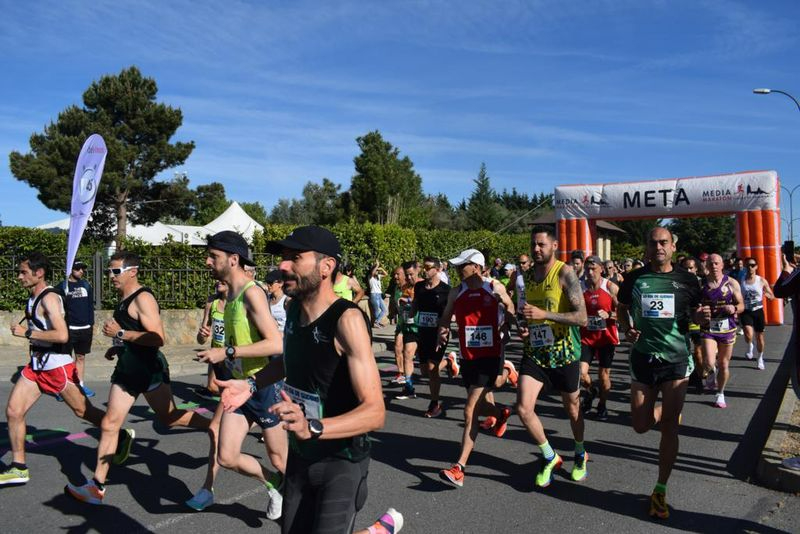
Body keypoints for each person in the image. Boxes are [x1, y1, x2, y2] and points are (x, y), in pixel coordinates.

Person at [215, 225, 386, 533]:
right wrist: (251, 384)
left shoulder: (347, 320)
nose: (282, 266)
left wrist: (314, 427)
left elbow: (375, 412)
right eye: (283, 257)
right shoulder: (293, 310)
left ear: (326, 266)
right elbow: (290, 361)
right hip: (300, 456)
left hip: (342, 460)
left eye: (295, 258)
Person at [66, 251, 210, 504]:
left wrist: (120, 334)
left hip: (148, 368)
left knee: (169, 418)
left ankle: (215, 426)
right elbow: (135, 333)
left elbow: (157, 338)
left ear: (132, 271)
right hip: (128, 369)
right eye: (109, 271)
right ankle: (97, 487)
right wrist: (119, 348)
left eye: (115, 271)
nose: (110, 276)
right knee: (110, 424)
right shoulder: (124, 297)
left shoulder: (143, 298)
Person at [1, 253, 124, 487]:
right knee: (14, 412)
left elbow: (62, 335)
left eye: (23, 272)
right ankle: (18, 467)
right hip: (37, 366)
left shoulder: (49, 298)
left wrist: (27, 333)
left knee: (82, 411)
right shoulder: (33, 297)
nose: (19, 277)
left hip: (57, 366)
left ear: (39, 273)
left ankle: (119, 433)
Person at [188, 232, 286, 516]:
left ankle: (308, 507)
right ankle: (273, 482)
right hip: (237, 387)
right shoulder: (228, 294)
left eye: (213, 256)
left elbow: (276, 343)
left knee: (280, 458)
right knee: (227, 456)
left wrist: (228, 352)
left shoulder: (251, 293)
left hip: (263, 386)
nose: (208, 262)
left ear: (233, 259)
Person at [617, 227, 704, 520]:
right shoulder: (634, 279)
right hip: (643, 358)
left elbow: (695, 314)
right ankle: (665, 410)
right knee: (640, 425)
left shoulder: (688, 280)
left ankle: (660, 488)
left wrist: (701, 317)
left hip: (676, 359)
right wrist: (627, 328)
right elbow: (622, 308)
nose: (659, 247)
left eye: (664, 242)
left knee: (670, 427)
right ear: (646, 247)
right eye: (653, 243)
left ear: (673, 246)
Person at [437, 248, 517, 488]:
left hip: (491, 354)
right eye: (458, 265)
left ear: (477, 267)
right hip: (468, 356)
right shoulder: (456, 291)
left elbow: (511, 311)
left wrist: (507, 316)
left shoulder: (494, 287)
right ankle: (501, 412)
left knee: (470, 409)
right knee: (481, 406)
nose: (458, 269)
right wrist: (443, 331)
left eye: (463, 265)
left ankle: (459, 467)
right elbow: (446, 315)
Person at [516, 227, 589, 488]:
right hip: (536, 353)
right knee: (523, 408)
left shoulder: (564, 273)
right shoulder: (526, 276)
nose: (536, 249)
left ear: (554, 246)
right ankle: (550, 456)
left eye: (541, 245)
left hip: (564, 353)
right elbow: (524, 312)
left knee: (572, 409)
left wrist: (544, 315)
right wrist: (524, 326)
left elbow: (582, 318)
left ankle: (579, 452)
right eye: (533, 245)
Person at [410, 257, 453, 418]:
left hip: (439, 334)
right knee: (424, 372)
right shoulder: (419, 286)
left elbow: (450, 313)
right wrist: (410, 310)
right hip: (423, 332)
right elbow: (415, 303)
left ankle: (434, 404)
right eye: (424, 267)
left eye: (428, 267)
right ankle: (449, 362)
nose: (425, 270)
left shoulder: (446, 290)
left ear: (438, 269)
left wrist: (445, 327)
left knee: (432, 368)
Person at [699, 254, 744, 408]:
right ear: (706, 266)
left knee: (724, 364)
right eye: (711, 264)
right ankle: (711, 372)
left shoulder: (731, 283)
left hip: (727, 328)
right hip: (708, 327)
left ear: (722, 265)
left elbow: (742, 305)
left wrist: (734, 308)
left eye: (717, 263)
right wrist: (700, 311)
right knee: (709, 362)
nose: (714, 266)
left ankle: (720, 393)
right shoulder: (701, 284)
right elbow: (694, 305)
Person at [579, 255, 619, 420]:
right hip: (586, 337)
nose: (590, 272)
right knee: (581, 373)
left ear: (601, 269)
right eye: (587, 269)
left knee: (603, 376)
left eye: (593, 269)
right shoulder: (580, 287)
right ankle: (591, 391)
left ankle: (602, 405)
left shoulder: (610, 287)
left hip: (606, 338)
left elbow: (624, 313)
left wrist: (609, 314)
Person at [61, 260, 96, 398]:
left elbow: (90, 307)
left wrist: (91, 325)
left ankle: (80, 386)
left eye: (82, 269)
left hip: (85, 329)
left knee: (80, 357)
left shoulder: (86, 285)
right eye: (77, 268)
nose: (81, 271)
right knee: (65, 359)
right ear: (70, 269)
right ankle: (64, 388)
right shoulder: (62, 286)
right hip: (69, 329)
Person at [195, 280, 228, 400]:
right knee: (212, 387)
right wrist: (202, 334)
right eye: (217, 279)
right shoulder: (212, 301)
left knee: (230, 390)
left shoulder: (240, 301)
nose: (218, 281)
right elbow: (201, 340)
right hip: (216, 352)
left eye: (222, 278)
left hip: (232, 353)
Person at [740, 257, 775, 370]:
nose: (750, 267)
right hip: (746, 311)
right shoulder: (741, 280)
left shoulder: (761, 280)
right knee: (748, 334)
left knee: (759, 337)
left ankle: (760, 358)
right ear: (745, 267)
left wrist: (769, 296)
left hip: (758, 311)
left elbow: (772, 295)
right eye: (748, 265)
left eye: (752, 265)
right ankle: (750, 345)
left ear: (756, 267)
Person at [680, 257, 706, 391]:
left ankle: (700, 379)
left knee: (698, 353)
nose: (688, 271)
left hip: (697, 321)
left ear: (696, 269)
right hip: (682, 321)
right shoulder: (677, 283)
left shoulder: (703, 283)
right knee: (684, 352)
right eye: (685, 268)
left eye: (691, 268)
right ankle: (692, 376)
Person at [396, 261, 420, 399]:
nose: (409, 277)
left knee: (428, 368)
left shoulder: (423, 285)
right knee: (407, 354)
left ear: (417, 271)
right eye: (407, 275)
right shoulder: (405, 287)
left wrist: (410, 301)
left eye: (411, 274)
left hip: (424, 327)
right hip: (410, 326)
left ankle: (448, 361)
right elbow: (404, 302)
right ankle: (409, 388)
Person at [368, 261, 388, 327]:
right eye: (376, 270)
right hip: (374, 295)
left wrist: (381, 269)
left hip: (379, 295)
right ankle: (377, 323)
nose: (377, 272)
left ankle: (377, 322)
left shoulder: (378, 277)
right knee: (376, 310)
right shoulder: (370, 277)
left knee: (384, 310)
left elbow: (386, 274)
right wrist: (377, 265)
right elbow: (372, 273)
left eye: (377, 271)